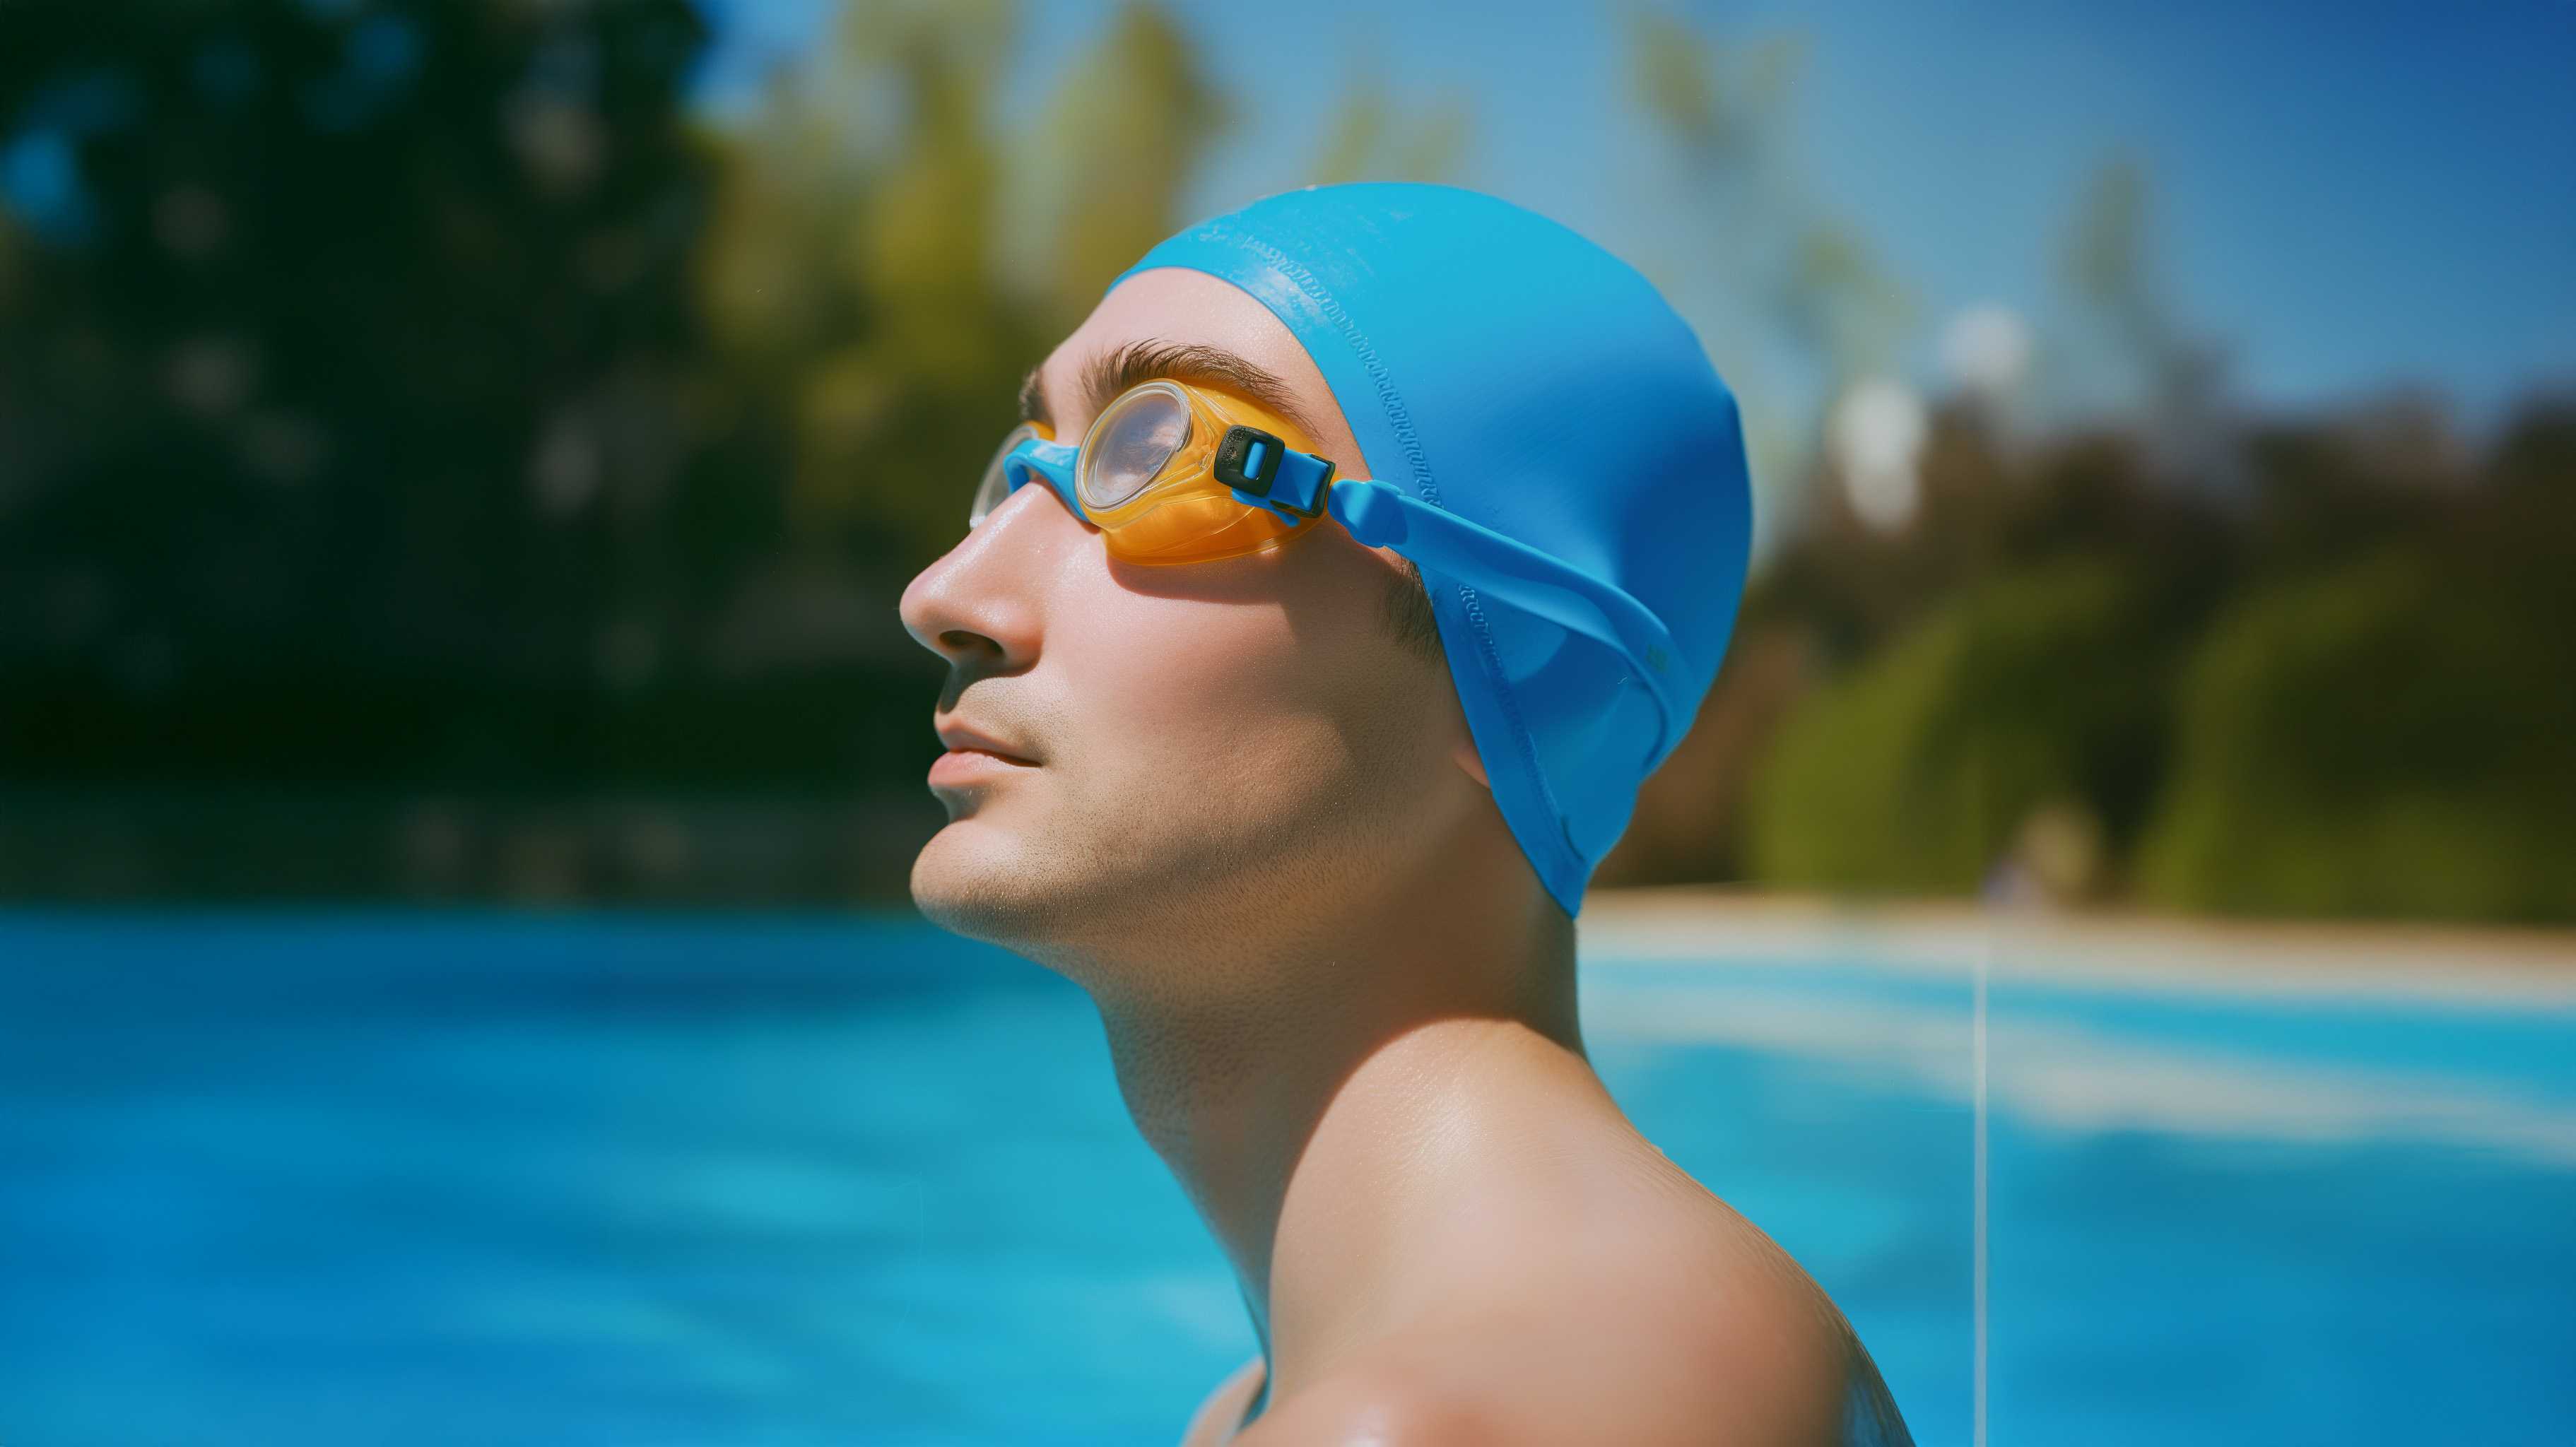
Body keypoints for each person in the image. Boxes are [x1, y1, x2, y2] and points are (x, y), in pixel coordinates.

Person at [898, 182, 1912, 1446]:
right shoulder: (1275, 1409)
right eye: (1021, 468)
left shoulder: (1473, 1416)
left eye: (1155, 453)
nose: (945, 595)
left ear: (1535, 666)